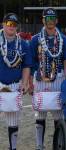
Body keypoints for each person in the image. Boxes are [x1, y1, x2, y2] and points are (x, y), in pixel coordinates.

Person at [30, 8, 66, 150]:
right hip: (40, 79)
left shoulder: (63, 39)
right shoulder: (35, 39)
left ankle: (58, 145)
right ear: (43, 20)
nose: (50, 21)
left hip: (58, 79)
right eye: (47, 19)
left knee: (58, 115)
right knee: (40, 115)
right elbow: (30, 62)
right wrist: (32, 79)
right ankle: (39, 146)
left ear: (57, 20)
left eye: (52, 19)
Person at [0, 13, 32, 150]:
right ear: (3, 24)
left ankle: (12, 147)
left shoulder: (23, 44)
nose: (12, 26)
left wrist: (25, 83)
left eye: (14, 24)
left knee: (13, 120)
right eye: (9, 24)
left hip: (14, 85)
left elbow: (26, 66)